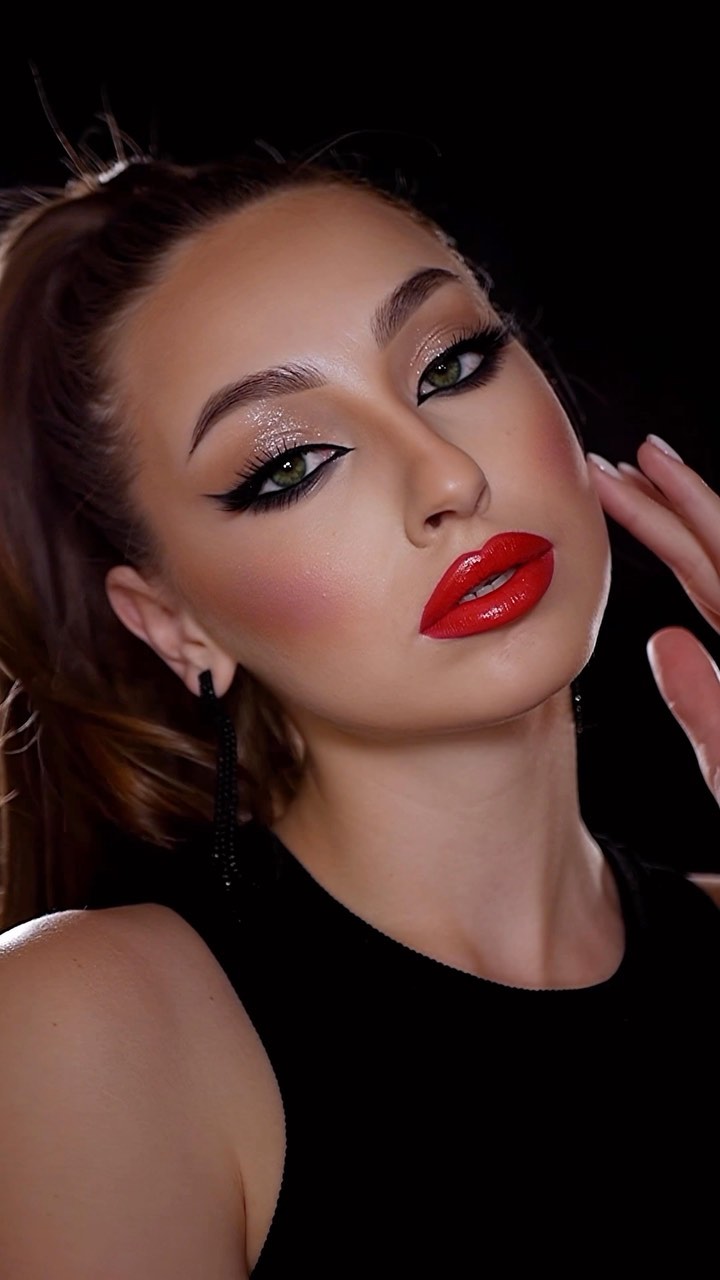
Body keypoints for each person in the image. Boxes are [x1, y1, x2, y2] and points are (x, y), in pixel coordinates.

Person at [0, 151, 719, 1277]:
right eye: (292, 464)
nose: (447, 477)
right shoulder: (92, 1026)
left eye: (453, 363)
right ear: (174, 624)